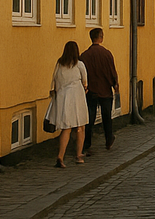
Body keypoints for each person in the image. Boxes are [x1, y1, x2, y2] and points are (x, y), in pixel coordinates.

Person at [49, 40, 88, 168]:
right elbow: (85, 82)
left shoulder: (59, 64)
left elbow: (54, 80)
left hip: (62, 97)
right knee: (80, 127)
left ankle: (60, 156)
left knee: (66, 128)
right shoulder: (79, 65)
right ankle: (78, 155)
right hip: (77, 96)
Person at [79, 28, 118, 153]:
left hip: (91, 91)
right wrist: (115, 84)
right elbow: (112, 71)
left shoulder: (84, 56)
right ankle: (108, 139)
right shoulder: (107, 54)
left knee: (89, 117)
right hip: (105, 90)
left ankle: (87, 142)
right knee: (107, 116)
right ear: (101, 38)